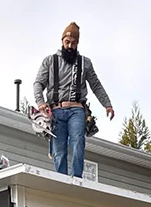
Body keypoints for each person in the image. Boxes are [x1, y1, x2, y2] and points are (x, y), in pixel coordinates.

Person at [33, 22, 114, 178]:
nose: (70, 46)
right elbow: (38, 83)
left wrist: (107, 104)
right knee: (59, 149)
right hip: (56, 111)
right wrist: (40, 102)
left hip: (76, 110)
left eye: (74, 43)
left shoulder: (85, 63)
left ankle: (77, 178)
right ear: (62, 41)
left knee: (78, 142)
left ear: (77, 44)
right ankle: (62, 179)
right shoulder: (50, 61)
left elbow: (96, 85)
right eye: (67, 42)